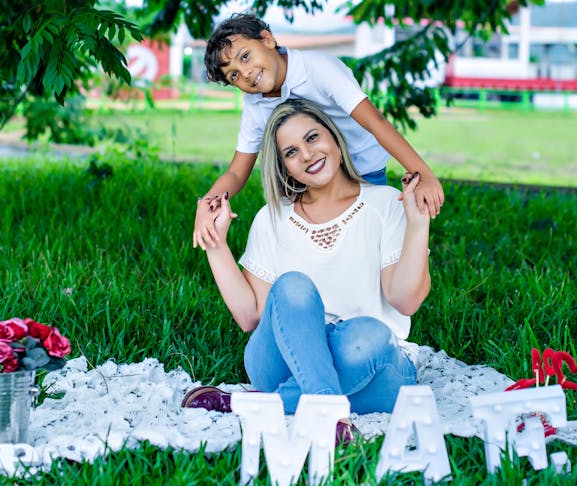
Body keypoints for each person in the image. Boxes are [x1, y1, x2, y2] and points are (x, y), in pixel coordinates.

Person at [182, 99, 431, 445]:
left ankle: (256, 403)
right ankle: (327, 406)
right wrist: (216, 245)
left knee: (370, 335)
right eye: (291, 152)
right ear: (285, 167)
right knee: (294, 286)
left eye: (313, 138)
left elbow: (404, 301)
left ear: (335, 137)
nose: (307, 154)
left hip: (373, 365)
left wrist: (418, 225)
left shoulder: (387, 204)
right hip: (284, 361)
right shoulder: (272, 218)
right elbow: (250, 317)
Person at [192, 12, 443, 251]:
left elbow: (375, 122)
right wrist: (207, 202)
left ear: (267, 39)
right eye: (233, 74)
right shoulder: (255, 104)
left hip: (363, 171)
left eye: (245, 56)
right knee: (310, 245)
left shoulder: (318, 69)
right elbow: (237, 171)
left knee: (370, 242)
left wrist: (424, 175)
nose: (245, 73)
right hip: (307, 181)